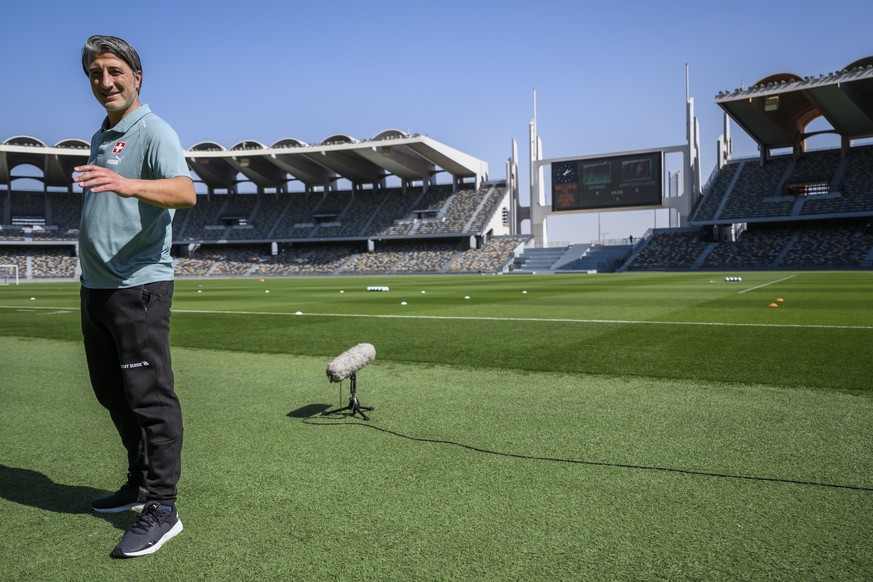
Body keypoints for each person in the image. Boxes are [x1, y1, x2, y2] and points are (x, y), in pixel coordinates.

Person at [74, 34, 196, 559]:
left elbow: (185, 191)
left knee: (150, 399)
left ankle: (163, 509)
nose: (106, 82)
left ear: (136, 75)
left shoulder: (154, 131)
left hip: (139, 286)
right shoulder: (101, 136)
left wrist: (128, 186)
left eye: (114, 71)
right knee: (110, 393)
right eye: (96, 74)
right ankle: (140, 481)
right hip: (95, 287)